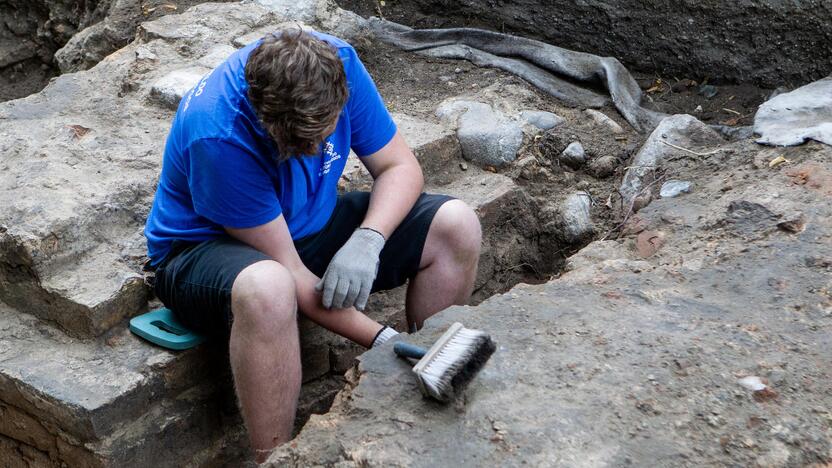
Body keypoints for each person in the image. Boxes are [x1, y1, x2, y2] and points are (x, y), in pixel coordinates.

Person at [143, 28, 482, 461]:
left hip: (304, 223)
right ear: (264, 115)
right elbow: (293, 275)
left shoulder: (336, 65)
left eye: (324, 134)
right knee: (269, 289)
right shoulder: (220, 136)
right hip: (202, 253)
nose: (319, 149)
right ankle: (278, 458)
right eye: (302, 144)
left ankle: (431, 376)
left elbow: (399, 165)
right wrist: (386, 340)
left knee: (456, 224)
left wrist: (369, 237)